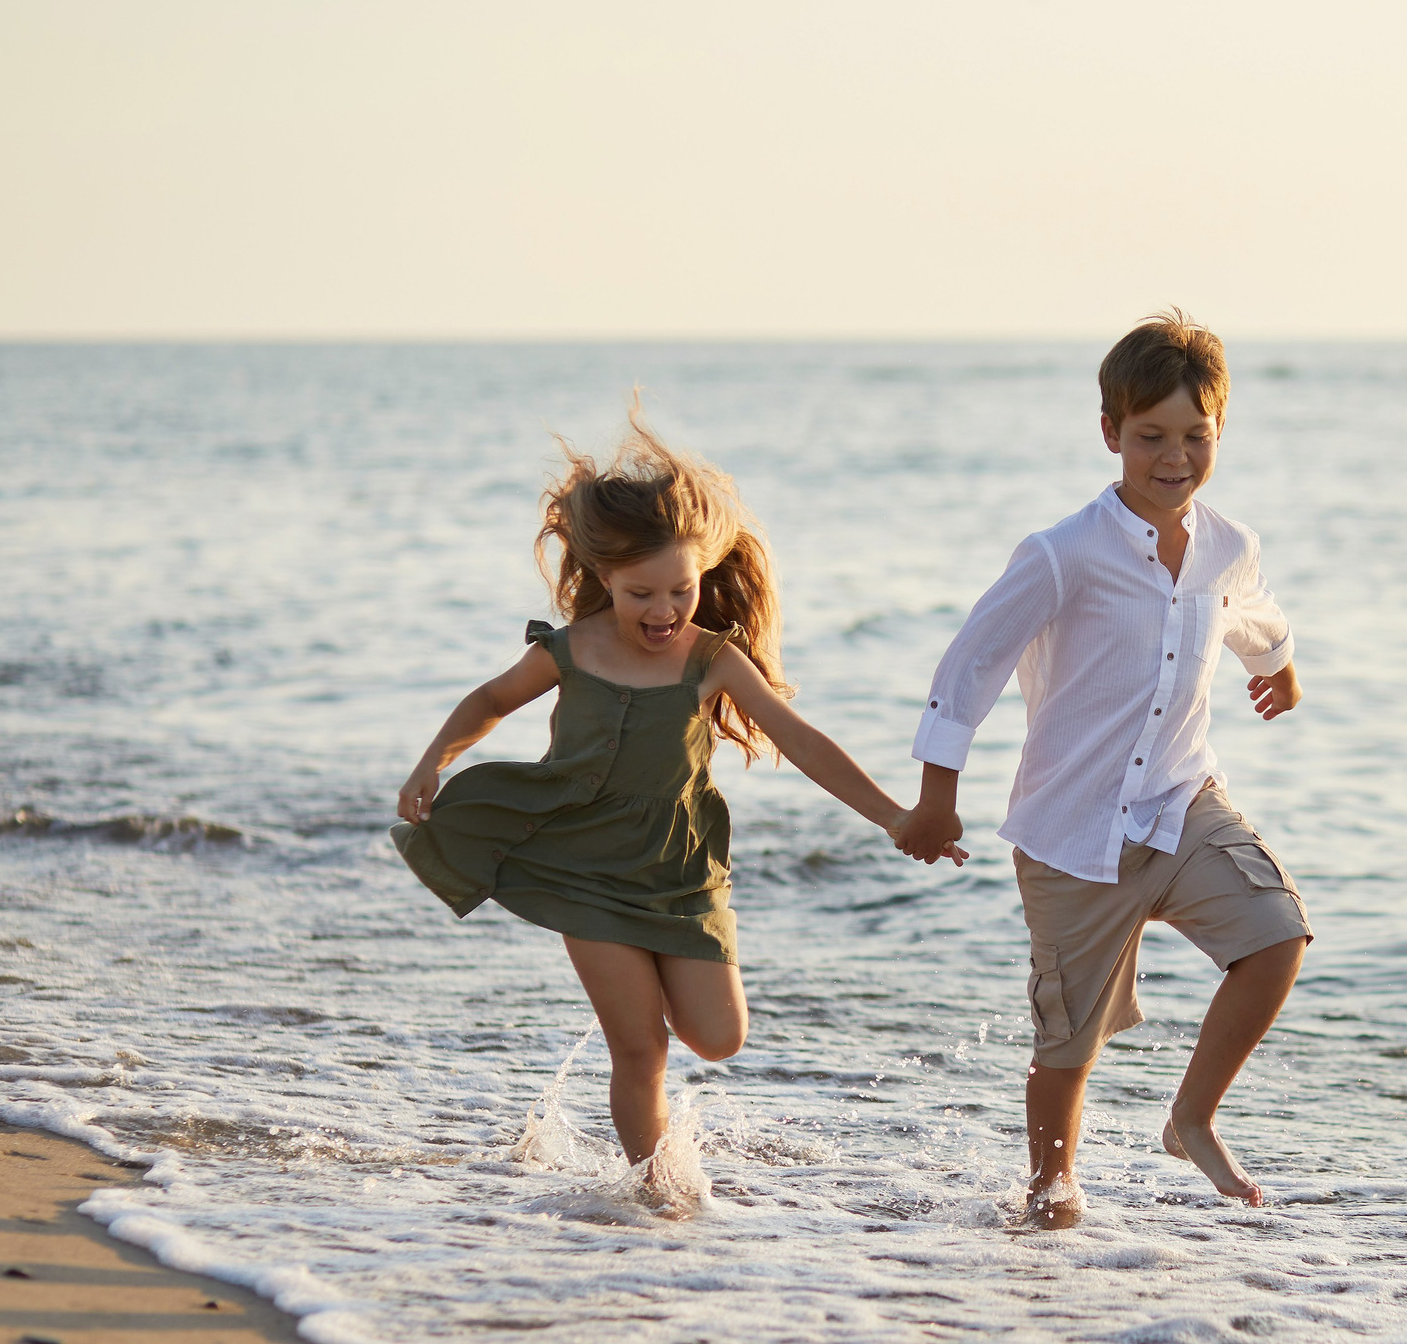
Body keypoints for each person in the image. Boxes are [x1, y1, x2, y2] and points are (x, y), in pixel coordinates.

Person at [394, 406, 957, 1176]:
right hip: (582, 864)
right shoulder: (571, 649)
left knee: (720, 1036)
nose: (662, 611)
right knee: (640, 1047)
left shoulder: (711, 659)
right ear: (604, 579)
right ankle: (654, 1189)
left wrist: (895, 815)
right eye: (640, 594)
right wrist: (433, 761)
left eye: (680, 590)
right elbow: (490, 699)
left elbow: (801, 740)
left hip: (679, 871)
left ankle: (653, 1123)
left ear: (703, 574)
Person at [895, 310, 1309, 1229]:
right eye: (1151, 435)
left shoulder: (1227, 545)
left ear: (1220, 432)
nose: (1175, 457)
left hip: (1182, 802)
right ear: (1111, 433)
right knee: (1068, 1045)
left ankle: (1191, 1118)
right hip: (1071, 832)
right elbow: (970, 666)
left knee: (1277, 935)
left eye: (1196, 435)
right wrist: (935, 799)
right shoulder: (1064, 553)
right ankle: (1051, 1194)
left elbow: (1249, 610)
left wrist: (1278, 665)